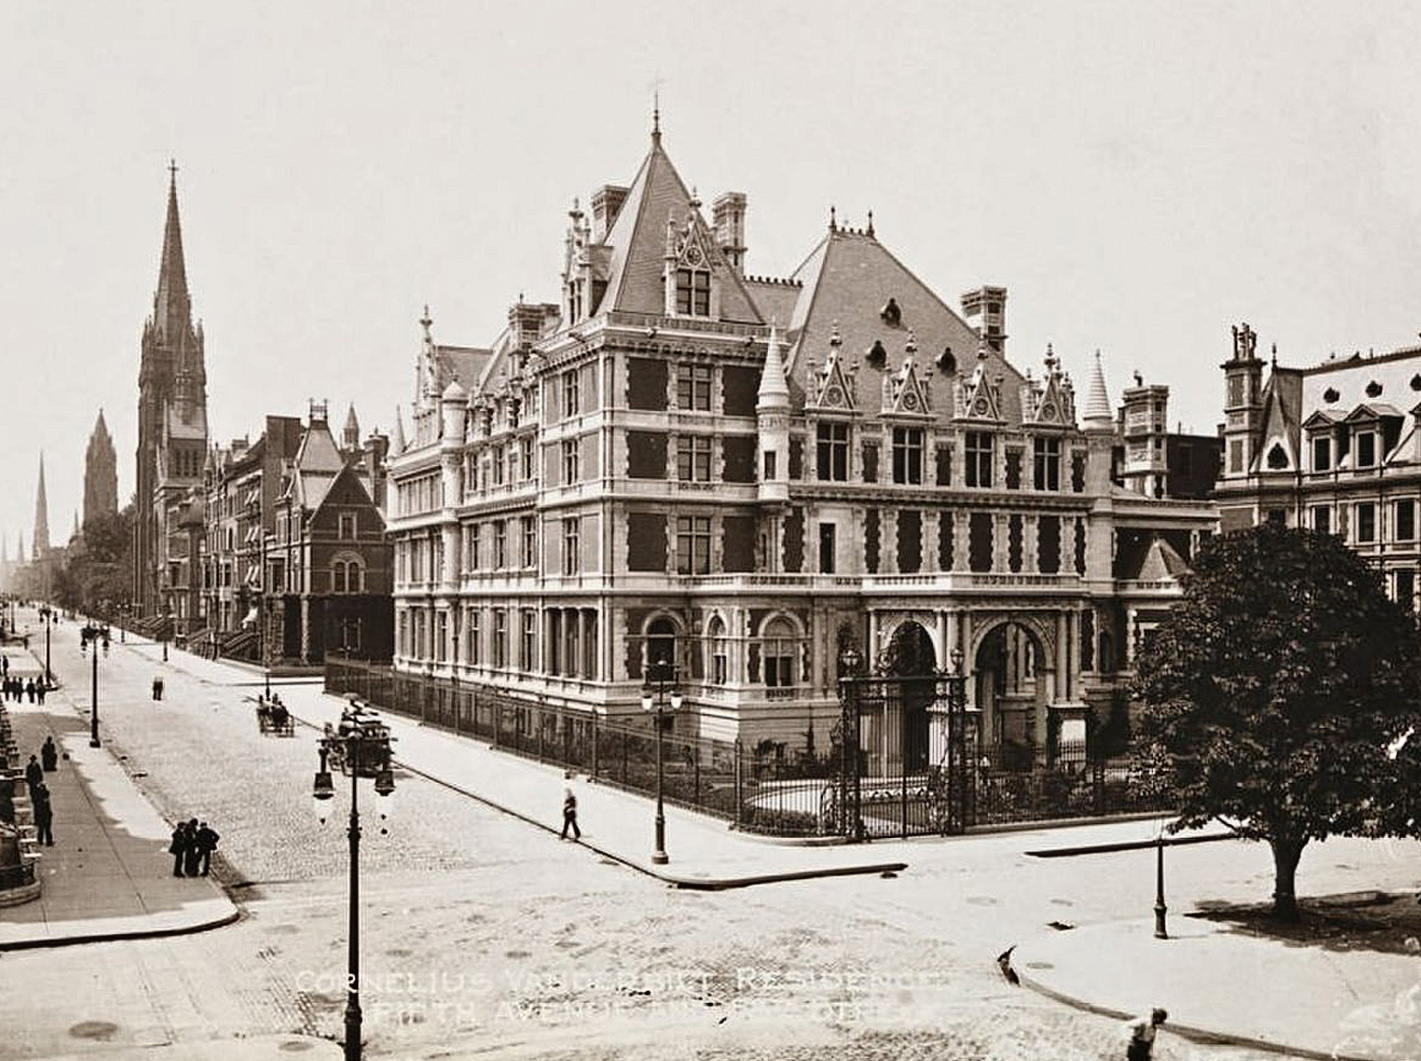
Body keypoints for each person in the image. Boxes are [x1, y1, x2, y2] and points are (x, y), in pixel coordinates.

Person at [560, 770, 581, 841]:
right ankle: (575, 834)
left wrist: (568, 809)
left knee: (568, 824)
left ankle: (564, 835)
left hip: (570, 813)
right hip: (569, 813)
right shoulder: (569, 799)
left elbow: (571, 805)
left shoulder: (571, 799)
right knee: (572, 824)